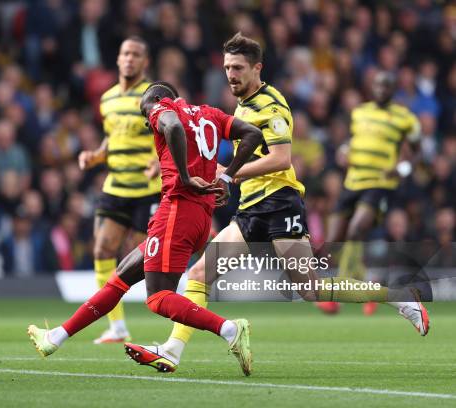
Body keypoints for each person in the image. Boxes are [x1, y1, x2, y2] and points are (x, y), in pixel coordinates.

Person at [124, 33, 429, 373]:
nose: (230, 75)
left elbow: (281, 159)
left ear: (257, 68)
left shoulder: (272, 105)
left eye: (238, 67)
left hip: (280, 203)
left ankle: (398, 298)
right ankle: (172, 350)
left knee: (312, 290)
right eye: (226, 67)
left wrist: (229, 175)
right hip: (250, 207)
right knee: (199, 273)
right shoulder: (243, 105)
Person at [28, 80, 265, 376]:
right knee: (119, 279)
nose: (146, 119)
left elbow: (174, 127)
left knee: (158, 298)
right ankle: (55, 338)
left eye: (145, 112)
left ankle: (230, 329)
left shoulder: (160, 106)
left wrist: (185, 176)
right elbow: (252, 134)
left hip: (177, 209)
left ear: (155, 98)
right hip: (200, 216)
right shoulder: (211, 114)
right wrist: (227, 179)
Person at [76, 37, 160, 344]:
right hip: (115, 186)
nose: (129, 59)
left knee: (139, 261)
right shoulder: (108, 98)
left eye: (136, 54)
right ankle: (117, 326)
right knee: (101, 250)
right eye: (125, 53)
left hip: (146, 189)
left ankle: (178, 302)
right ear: (118, 58)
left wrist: (158, 162)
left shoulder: (153, 97)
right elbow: (111, 139)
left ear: (145, 62)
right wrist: (96, 155)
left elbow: (168, 134)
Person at [318, 71, 421, 315]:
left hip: (379, 182)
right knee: (334, 239)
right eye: (377, 85)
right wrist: (344, 149)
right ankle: (370, 291)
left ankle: (335, 295)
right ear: (372, 88)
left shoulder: (406, 119)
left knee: (355, 230)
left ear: (393, 89)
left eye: (386, 86)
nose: (381, 90)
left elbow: (417, 151)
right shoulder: (359, 112)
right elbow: (355, 139)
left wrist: (404, 168)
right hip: (352, 181)